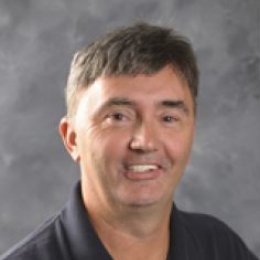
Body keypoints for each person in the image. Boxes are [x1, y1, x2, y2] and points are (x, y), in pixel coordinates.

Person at [0, 22, 258, 260]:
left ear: (192, 130)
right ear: (72, 139)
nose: (145, 142)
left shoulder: (220, 248)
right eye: (118, 117)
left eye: (168, 118)